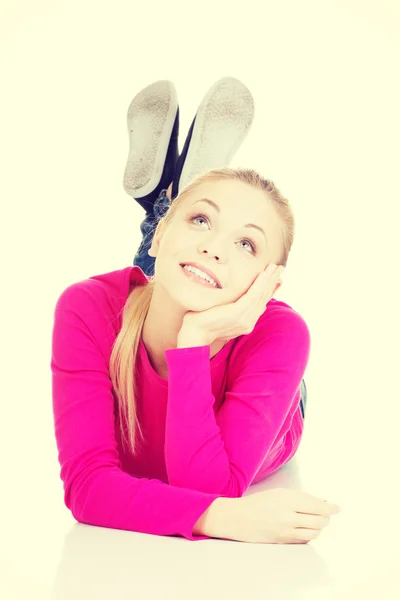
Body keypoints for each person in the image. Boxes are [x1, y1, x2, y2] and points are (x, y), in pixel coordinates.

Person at [51, 78, 310, 544]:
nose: (215, 248)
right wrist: (221, 519)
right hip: (157, 288)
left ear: (268, 283)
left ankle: (170, 204)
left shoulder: (281, 335)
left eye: (247, 244)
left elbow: (208, 487)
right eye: (202, 219)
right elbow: (87, 487)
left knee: (182, 270)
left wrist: (193, 344)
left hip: (272, 394)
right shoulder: (85, 308)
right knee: (175, 273)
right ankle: (167, 206)